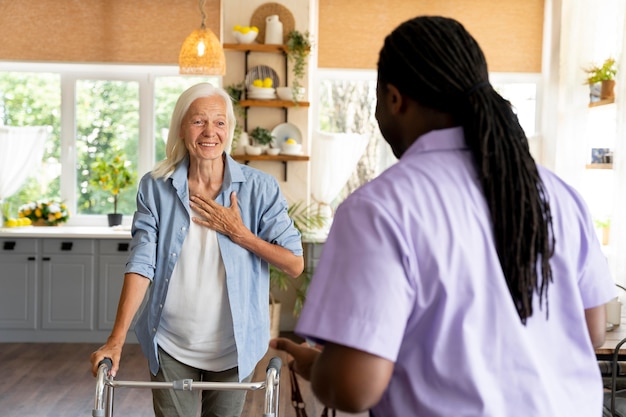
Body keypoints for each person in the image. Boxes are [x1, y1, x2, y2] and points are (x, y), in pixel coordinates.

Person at [270, 15, 616, 417]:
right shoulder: (557, 195)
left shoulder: (380, 208)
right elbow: (591, 330)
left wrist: (317, 365)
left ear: (394, 99)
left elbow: (353, 388)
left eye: (376, 101)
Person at [90, 82, 304, 417]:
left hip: (235, 349)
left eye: (219, 122)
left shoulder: (260, 189)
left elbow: (294, 264)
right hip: (171, 345)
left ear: (229, 130)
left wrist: (240, 234)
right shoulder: (155, 187)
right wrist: (115, 339)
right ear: (181, 127)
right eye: (198, 121)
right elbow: (142, 263)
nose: (210, 132)